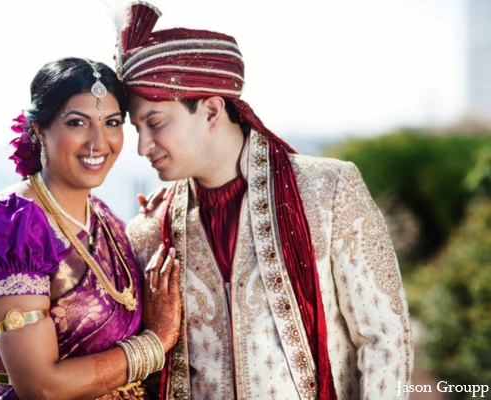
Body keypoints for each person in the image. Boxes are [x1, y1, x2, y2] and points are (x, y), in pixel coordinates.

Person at [119, 3, 414, 399]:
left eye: (154, 123)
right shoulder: (149, 231)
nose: (142, 146)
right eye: (137, 128)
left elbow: (385, 338)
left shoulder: (327, 190)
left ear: (210, 110)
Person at [0, 57, 181, 400]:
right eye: (78, 122)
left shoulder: (106, 219)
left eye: (112, 122)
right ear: (39, 129)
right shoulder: (12, 223)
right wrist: (155, 342)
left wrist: (161, 219)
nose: (99, 142)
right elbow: (41, 387)